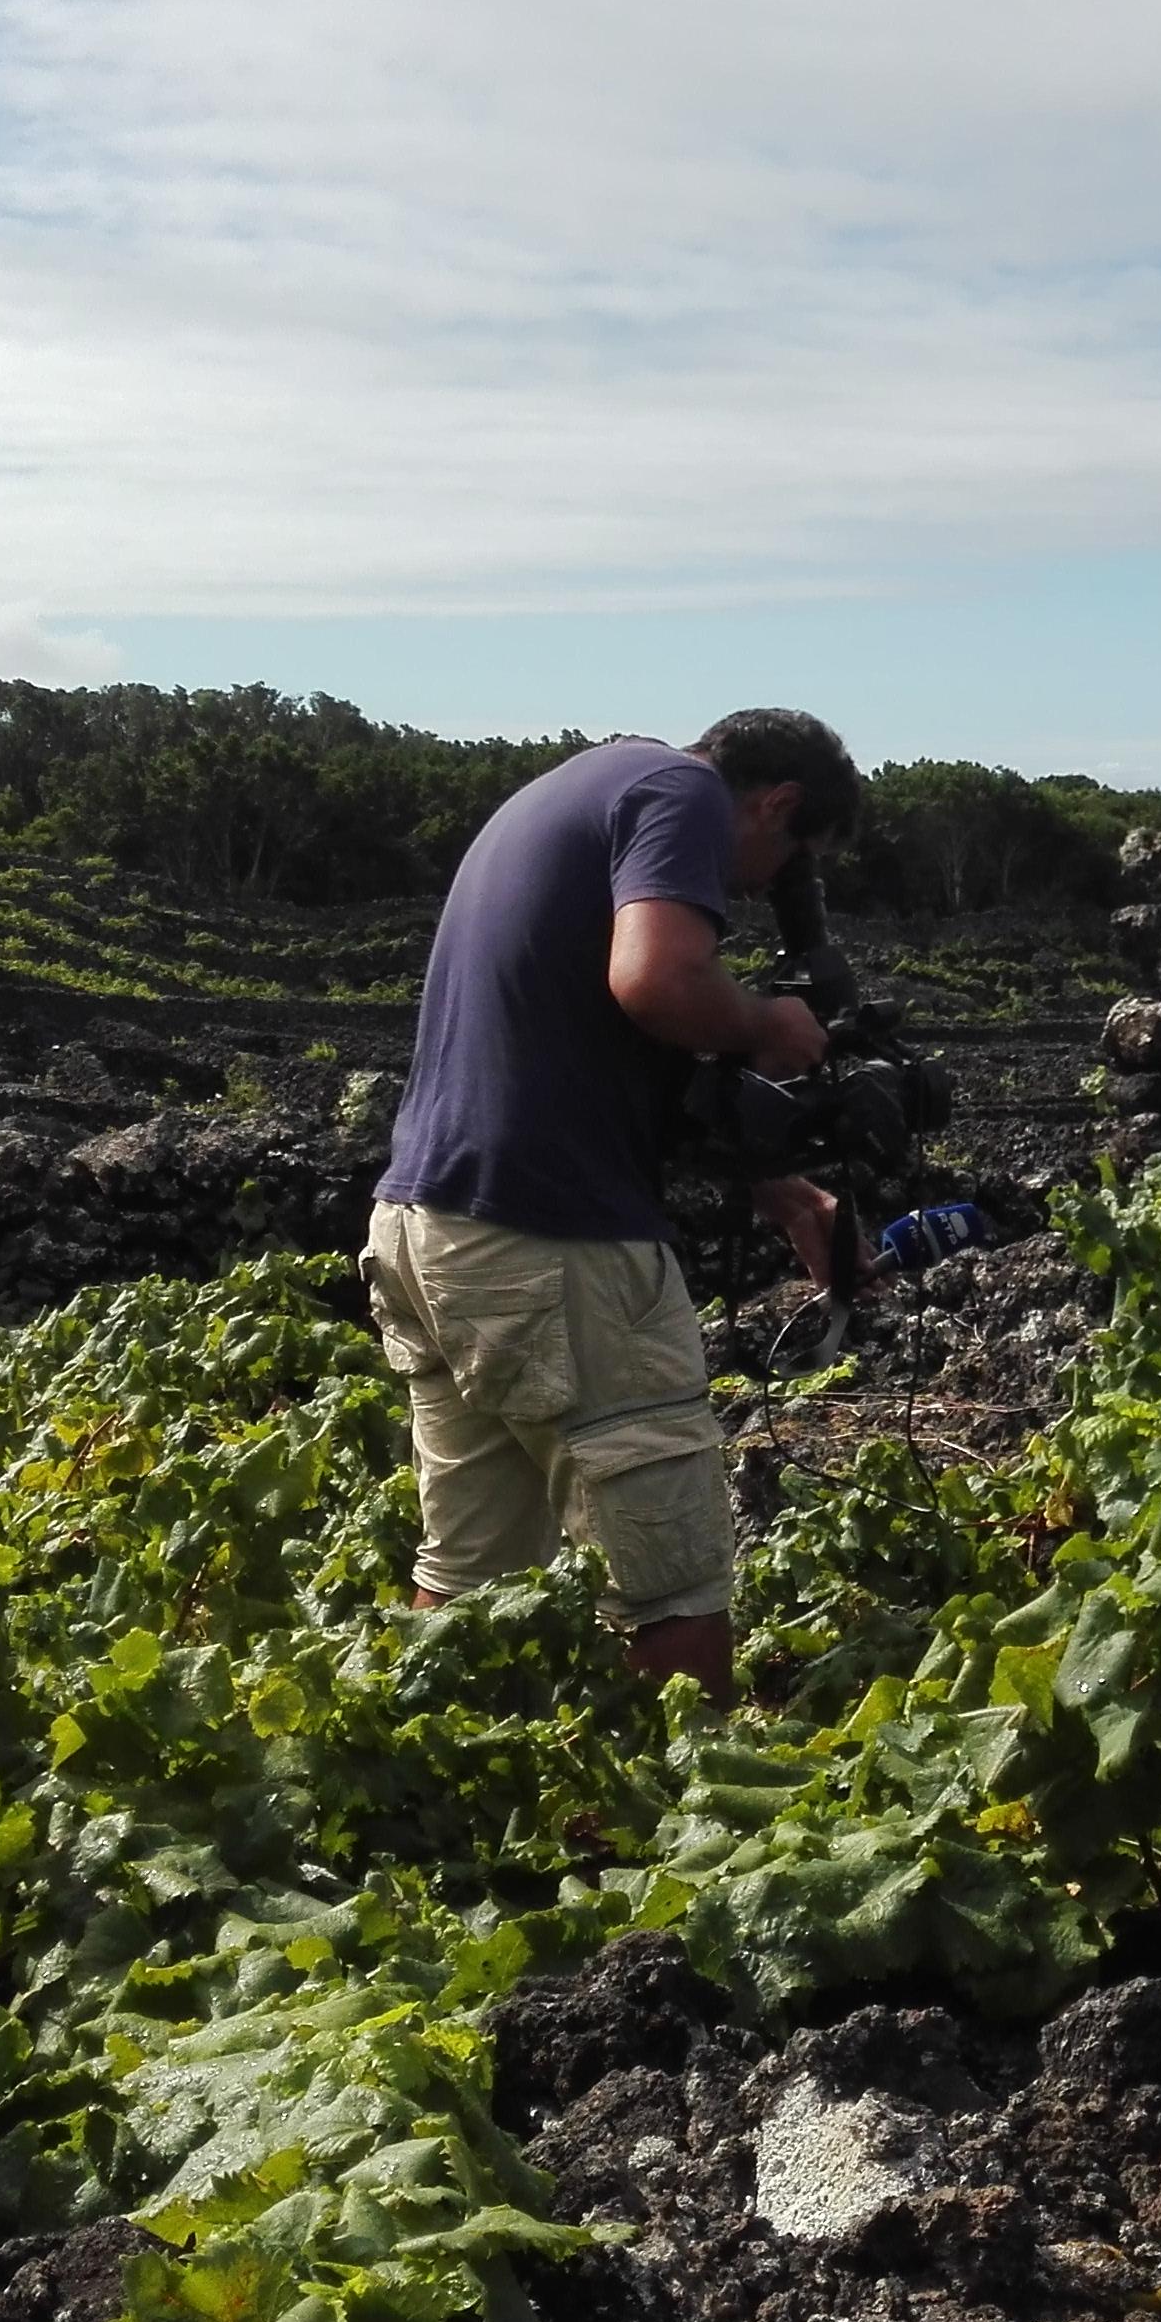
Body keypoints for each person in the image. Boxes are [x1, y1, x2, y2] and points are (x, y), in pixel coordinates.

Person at [360, 708, 862, 1706]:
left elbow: (595, 1049)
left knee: (468, 1582)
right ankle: (691, 1829)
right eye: (781, 859)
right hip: (554, 1243)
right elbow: (652, 981)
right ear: (778, 802)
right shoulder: (677, 793)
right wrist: (768, 1023)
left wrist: (772, 1183)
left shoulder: (577, 790)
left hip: (434, 1229)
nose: (755, 890)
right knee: (671, 1578)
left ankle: (438, 1807)